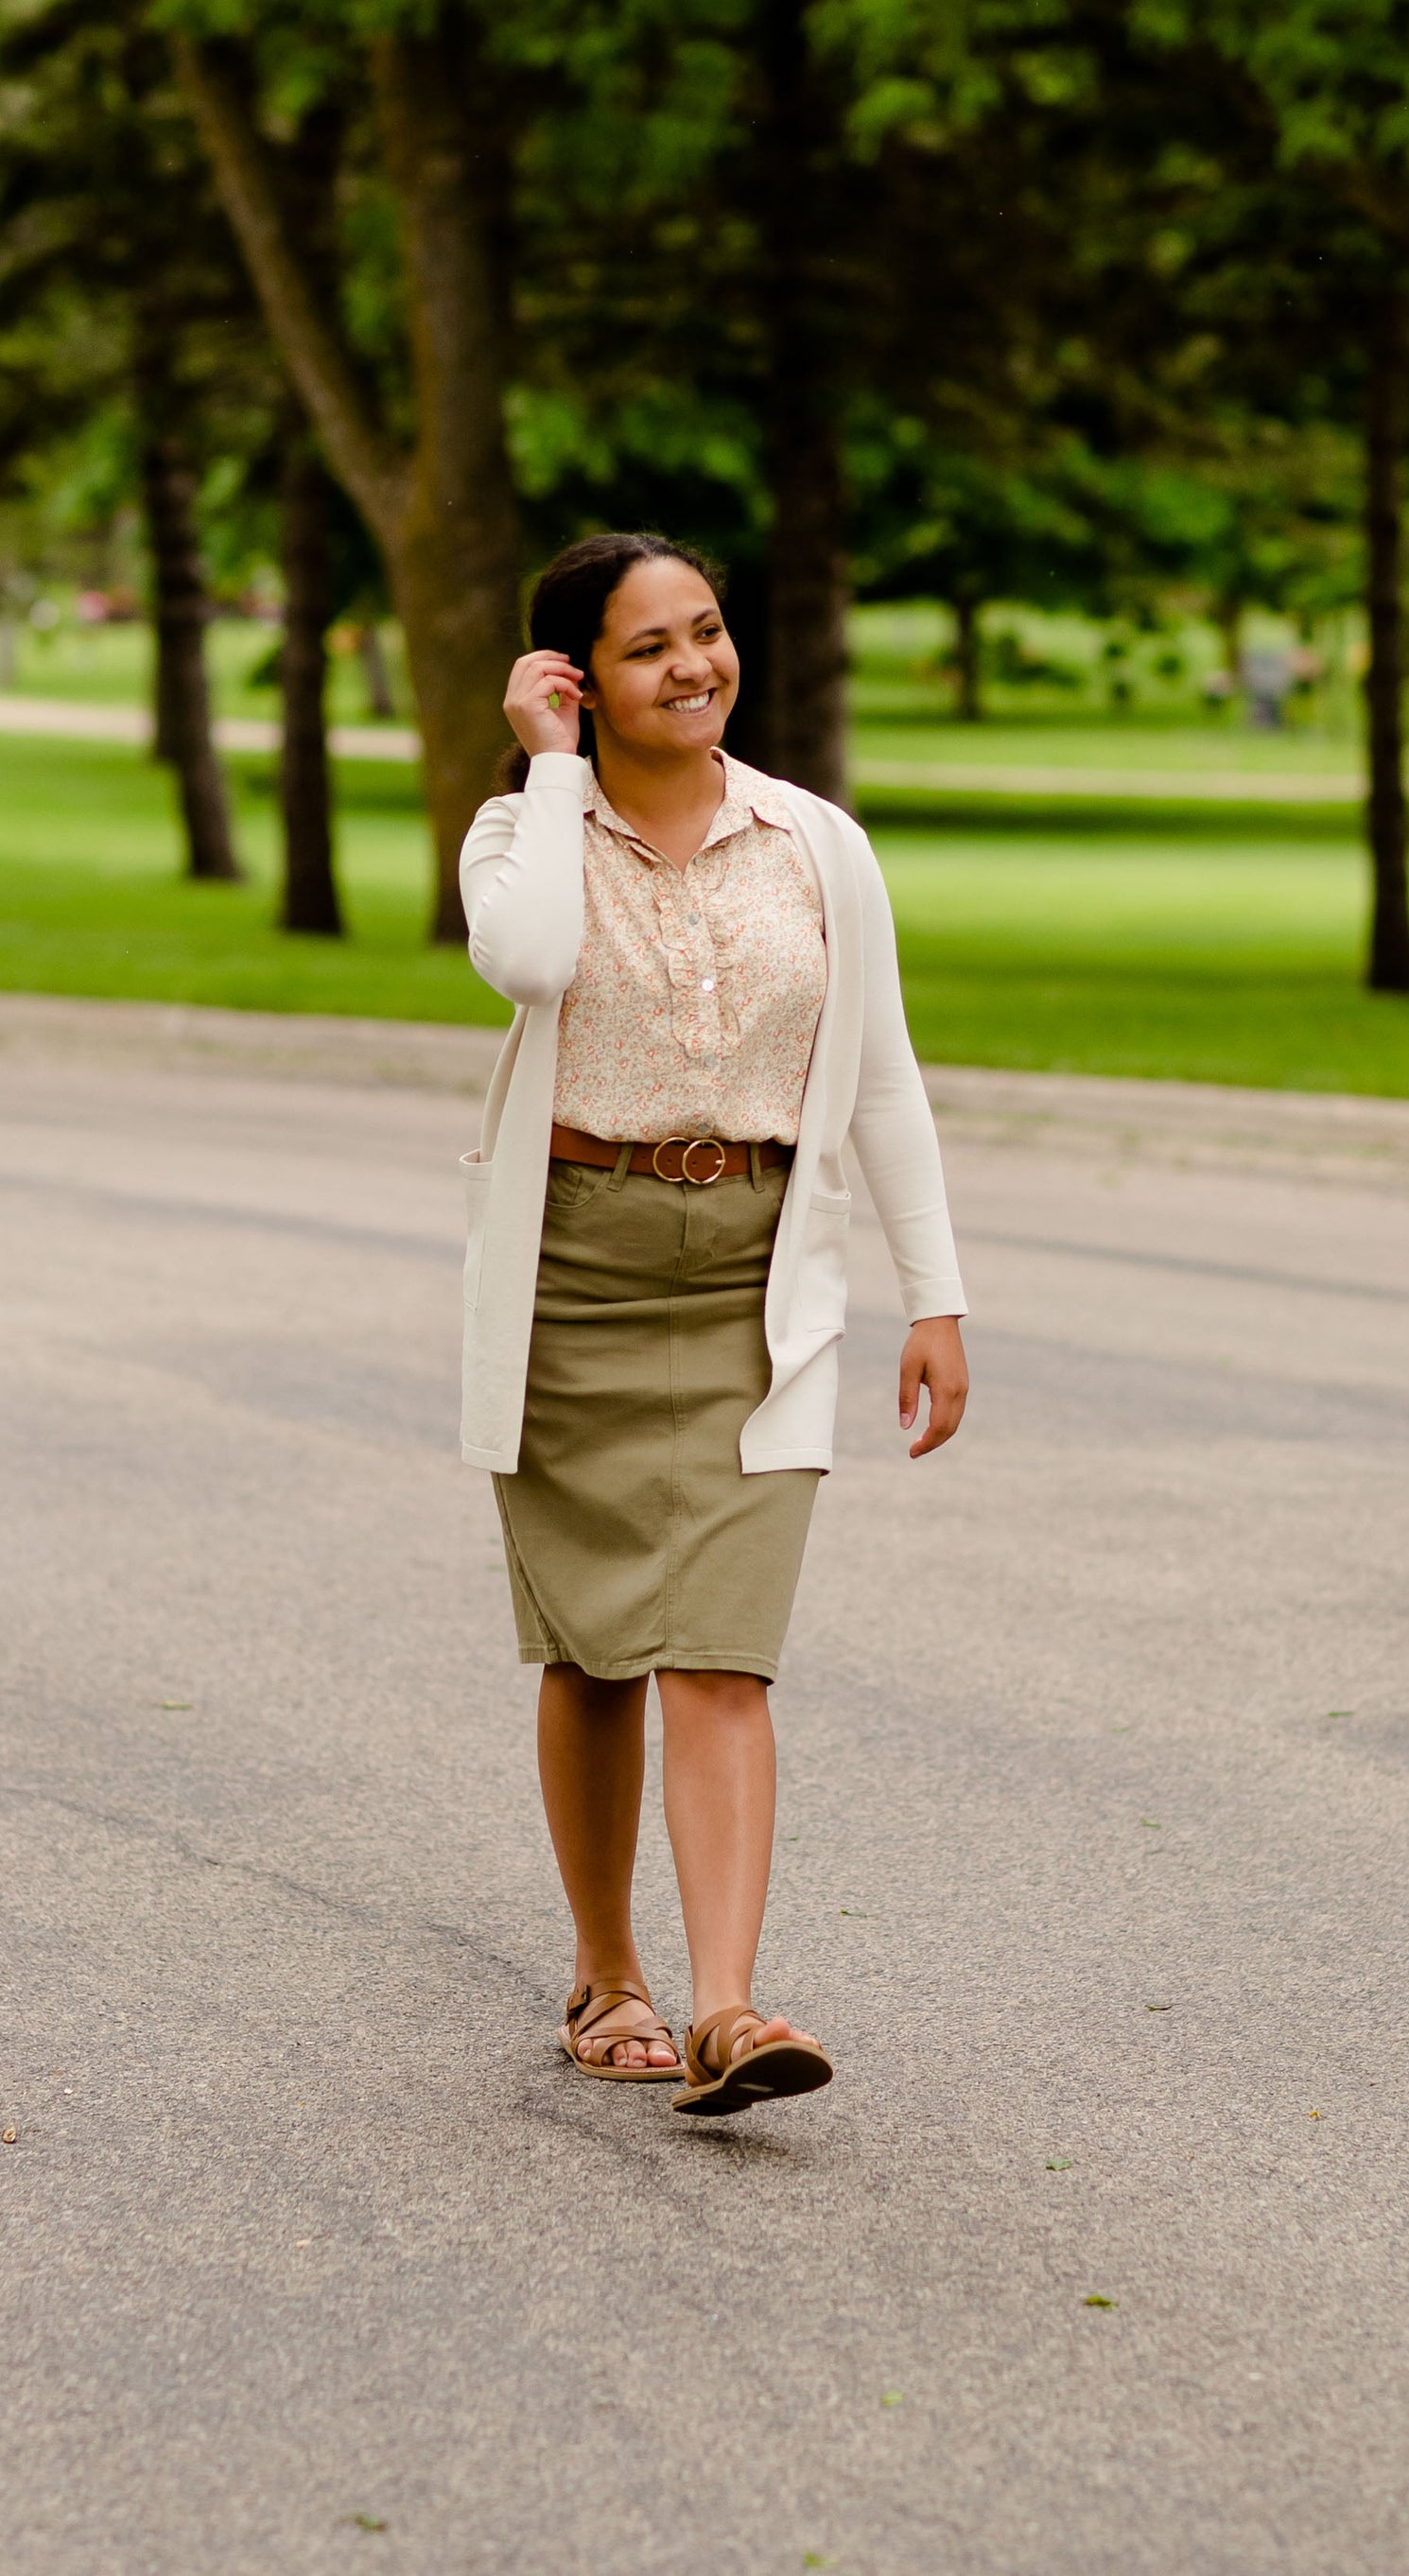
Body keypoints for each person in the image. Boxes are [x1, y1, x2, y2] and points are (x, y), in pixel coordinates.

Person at [459, 532, 968, 2116]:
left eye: (708, 632)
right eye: (646, 648)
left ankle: (728, 2009)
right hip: (569, 1278)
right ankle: (607, 1975)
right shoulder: (514, 836)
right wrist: (549, 773)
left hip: (758, 1279)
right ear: (574, 679)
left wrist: (932, 1293)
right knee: (596, 1650)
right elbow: (528, 960)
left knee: (722, 1657)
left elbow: (879, 1073)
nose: (693, 666)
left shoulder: (816, 843)